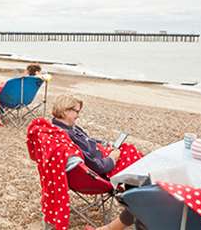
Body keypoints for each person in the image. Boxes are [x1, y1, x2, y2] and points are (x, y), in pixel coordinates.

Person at [51, 95, 145, 230]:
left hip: (102, 157)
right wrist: (112, 158)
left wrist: (106, 145)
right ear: (65, 111)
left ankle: (137, 205)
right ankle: (137, 205)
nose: (78, 115)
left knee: (130, 152)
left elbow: (88, 140)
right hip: (101, 172)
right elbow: (96, 166)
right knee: (136, 163)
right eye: (76, 111)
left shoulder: (68, 127)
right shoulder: (66, 137)